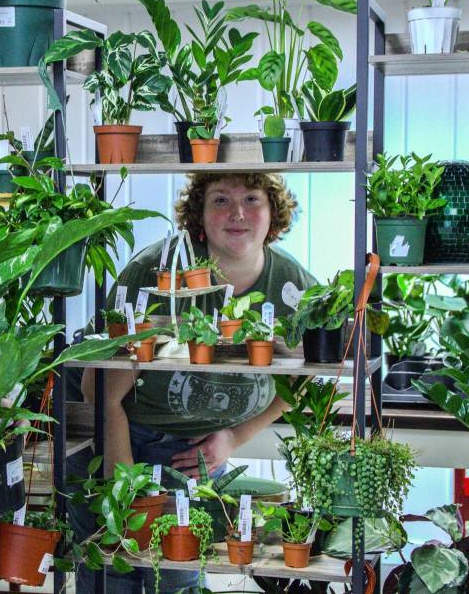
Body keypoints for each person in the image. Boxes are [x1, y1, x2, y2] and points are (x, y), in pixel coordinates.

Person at [73, 172, 317, 594]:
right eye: (221, 200)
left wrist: (234, 437)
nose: (237, 213)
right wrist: (125, 494)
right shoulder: (155, 273)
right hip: (122, 438)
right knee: (115, 573)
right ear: (199, 218)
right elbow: (100, 396)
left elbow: (305, 385)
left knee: (178, 577)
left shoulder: (293, 288)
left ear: (273, 214)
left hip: (198, 459)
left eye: (252, 199)